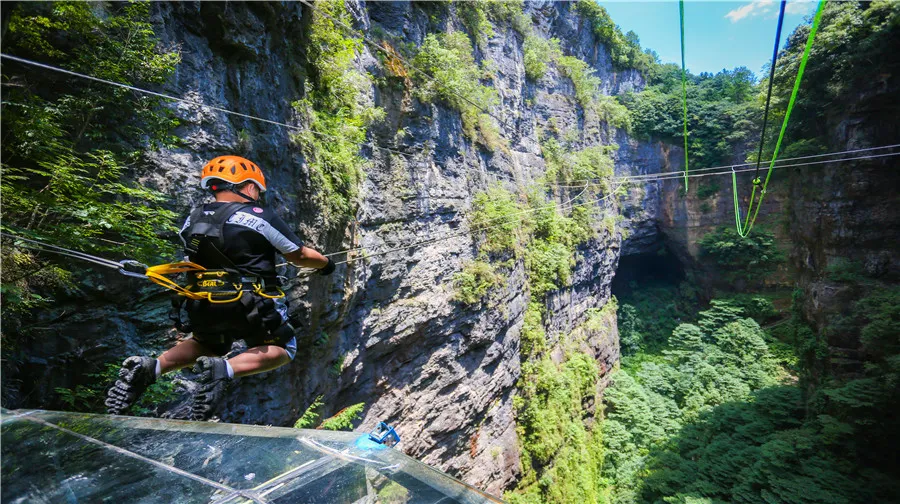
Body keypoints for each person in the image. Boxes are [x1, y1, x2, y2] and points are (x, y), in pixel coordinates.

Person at [105, 155, 334, 420]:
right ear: (248, 187)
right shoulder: (259, 216)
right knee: (284, 349)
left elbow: (190, 259)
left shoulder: (193, 219)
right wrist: (326, 264)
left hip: (202, 301)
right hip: (249, 303)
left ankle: (153, 367)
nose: (258, 195)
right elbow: (299, 255)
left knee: (207, 343)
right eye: (257, 190)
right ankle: (222, 371)